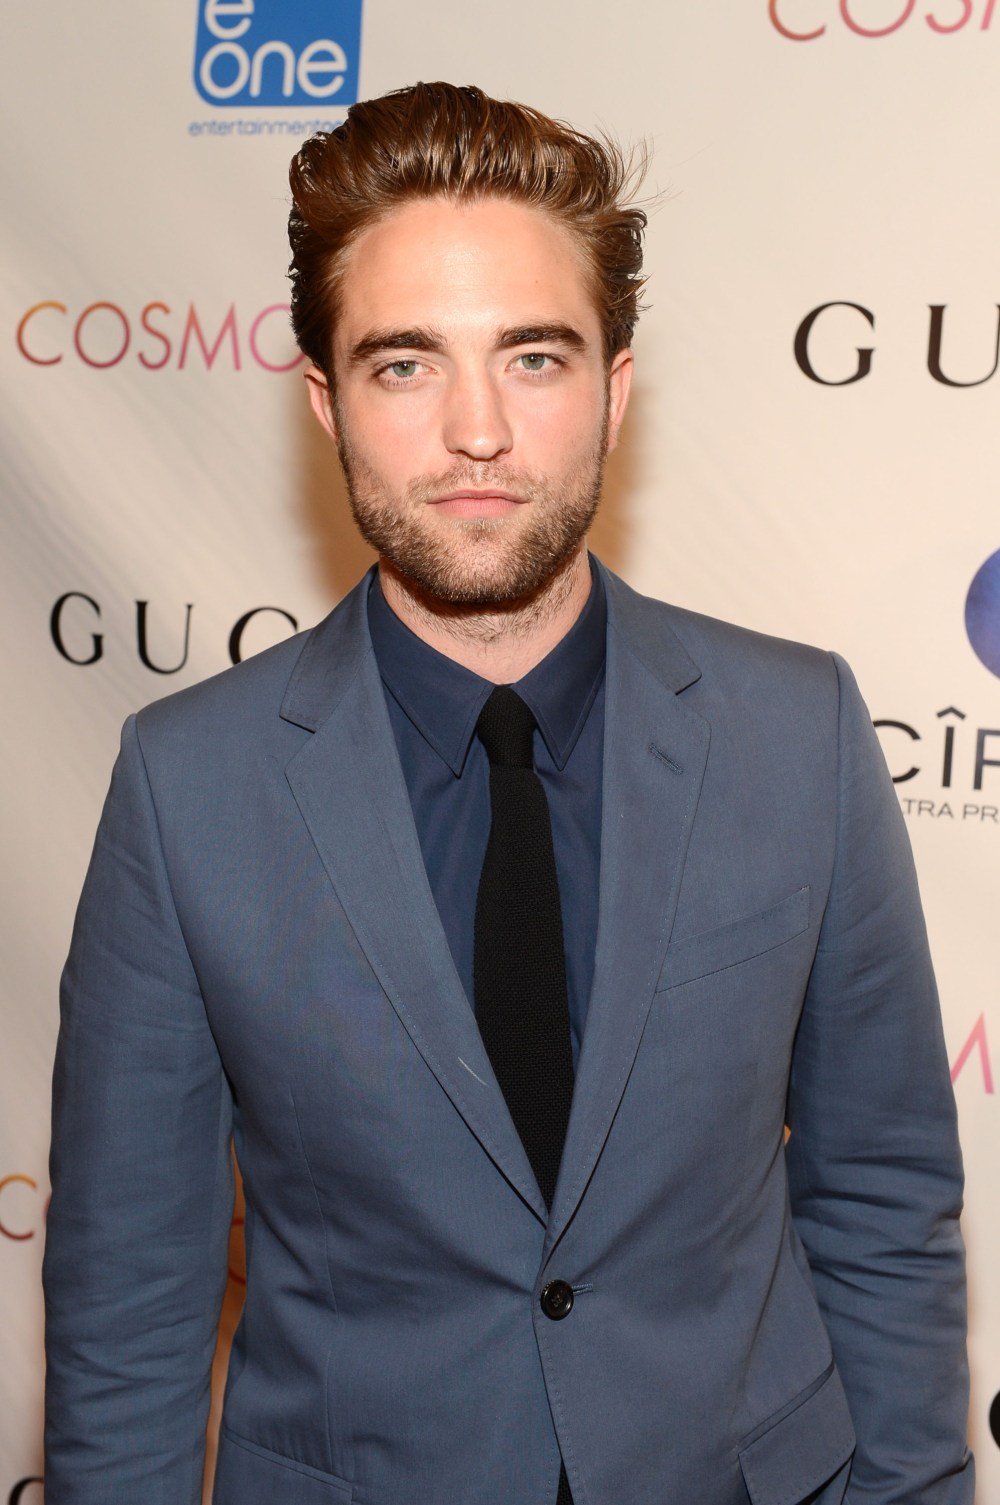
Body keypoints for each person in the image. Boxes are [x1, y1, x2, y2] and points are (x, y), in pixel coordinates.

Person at [43, 82, 973, 1505]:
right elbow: (129, 1298)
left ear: (615, 386)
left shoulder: (800, 734)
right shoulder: (188, 787)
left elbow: (884, 1200)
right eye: (406, 364)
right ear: (326, 400)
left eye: (533, 357)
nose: (476, 430)